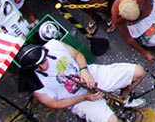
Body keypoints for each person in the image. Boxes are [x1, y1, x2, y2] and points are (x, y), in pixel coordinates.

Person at [17, 40, 146, 122]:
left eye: (44, 61)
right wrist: (85, 97)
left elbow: (77, 55)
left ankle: (122, 99)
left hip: (90, 75)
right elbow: (54, 104)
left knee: (139, 72)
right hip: (78, 99)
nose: (43, 67)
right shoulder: (33, 82)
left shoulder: (54, 45)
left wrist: (84, 70)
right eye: (37, 67)